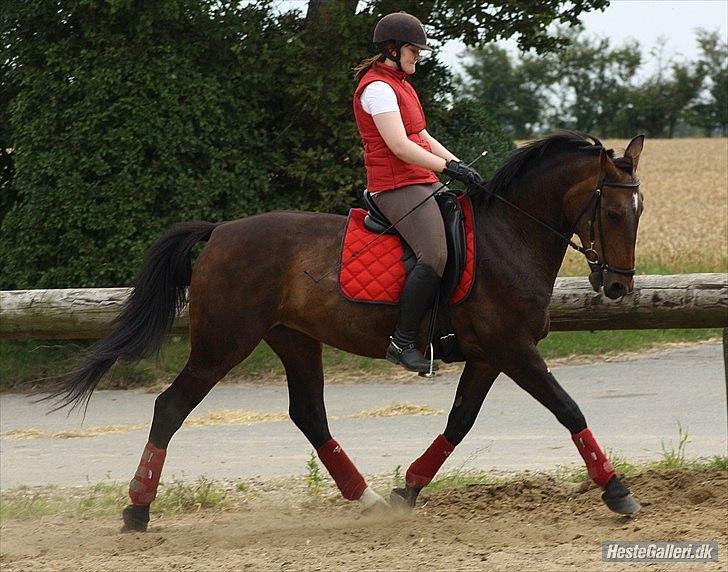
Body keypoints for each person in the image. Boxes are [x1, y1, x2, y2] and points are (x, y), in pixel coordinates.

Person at [353, 11, 484, 373]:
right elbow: (398, 146)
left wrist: (459, 165)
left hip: (419, 180)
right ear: (393, 49)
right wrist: (445, 168)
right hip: (394, 186)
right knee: (434, 254)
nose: (418, 56)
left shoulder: (403, 85)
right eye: (414, 50)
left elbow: (422, 137)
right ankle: (402, 340)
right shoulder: (377, 89)